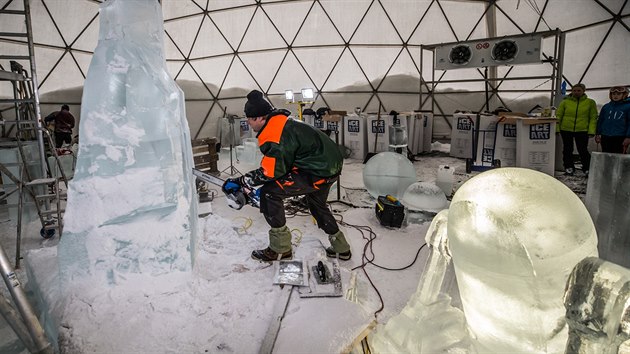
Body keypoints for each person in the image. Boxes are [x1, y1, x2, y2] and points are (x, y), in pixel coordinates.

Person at [222, 90, 351, 262]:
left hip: (316, 170)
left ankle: (280, 249)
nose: (248, 123)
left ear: (260, 118)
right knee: (316, 204)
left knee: (270, 193)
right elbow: (282, 164)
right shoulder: (282, 123)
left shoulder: (274, 133)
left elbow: (272, 171)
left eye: (250, 119)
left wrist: (242, 180)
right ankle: (341, 247)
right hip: (328, 165)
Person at [556, 83, 598, 176]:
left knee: (582, 150)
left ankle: (587, 168)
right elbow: (559, 115)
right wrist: (557, 128)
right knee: (567, 149)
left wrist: (591, 131)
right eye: (574, 90)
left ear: (583, 91)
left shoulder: (590, 102)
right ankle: (569, 167)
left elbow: (593, 117)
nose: (576, 92)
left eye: (579, 90)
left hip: (582, 130)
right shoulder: (565, 102)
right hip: (566, 129)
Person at [595, 86, 630, 154]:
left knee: (618, 157)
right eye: (613, 94)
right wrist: (598, 133)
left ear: (624, 95)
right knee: (606, 156)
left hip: (620, 137)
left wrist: (628, 137)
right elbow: (601, 120)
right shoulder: (606, 107)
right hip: (606, 136)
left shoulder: (628, 107)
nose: (615, 96)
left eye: (618, 94)